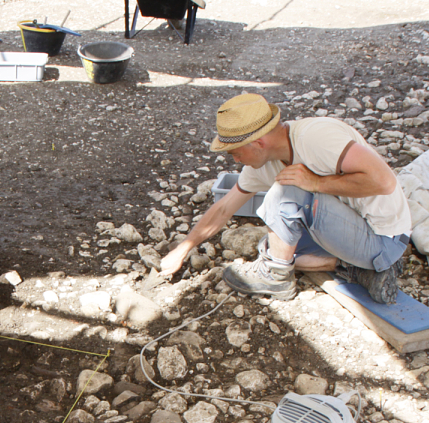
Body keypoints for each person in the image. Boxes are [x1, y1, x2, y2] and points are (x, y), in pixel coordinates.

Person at [159, 93, 412, 304]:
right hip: (351, 232)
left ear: (258, 142)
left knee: (285, 192)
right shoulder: (264, 161)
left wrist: (316, 183)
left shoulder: (316, 138)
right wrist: (183, 249)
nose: (234, 159)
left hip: (383, 238)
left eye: (235, 152)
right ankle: (358, 269)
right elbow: (224, 207)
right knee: (272, 246)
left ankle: (277, 279)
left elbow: (385, 181)